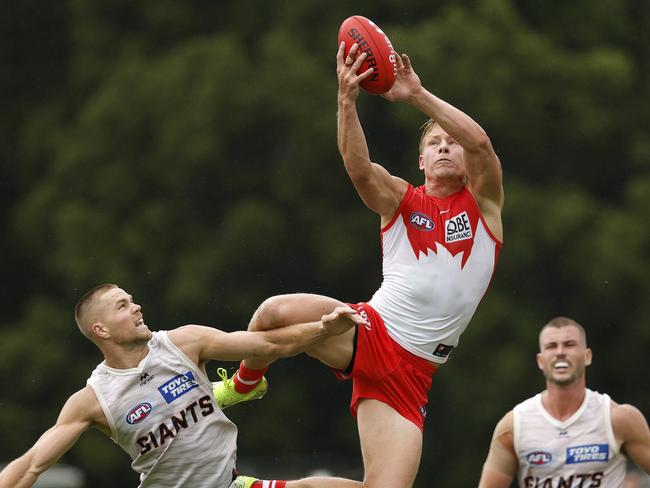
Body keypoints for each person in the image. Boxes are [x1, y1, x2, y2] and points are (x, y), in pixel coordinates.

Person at [214, 40, 505, 488]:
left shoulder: (483, 204)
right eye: (434, 143)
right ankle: (245, 383)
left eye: (452, 143)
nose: (446, 147)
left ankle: (256, 487)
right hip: (371, 330)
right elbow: (359, 168)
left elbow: (481, 143)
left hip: (415, 372)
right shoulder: (402, 199)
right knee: (272, 313)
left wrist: (416, 95)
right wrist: (346, 100)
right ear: (421, 159)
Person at [0, 284, 369, 488]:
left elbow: (270, 345)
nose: (137, 307)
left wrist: (323, 328)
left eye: (132, 300)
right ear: (101, 330)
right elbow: (32, 465)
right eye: (123, 305)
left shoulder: (184, 342)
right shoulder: (93, 400)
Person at [478, 316, 650, 487]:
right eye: (551, 346)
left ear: (587, 356)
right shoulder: (514, 425)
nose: (560, 352)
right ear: (540, 361)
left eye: (569, 344)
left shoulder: (618, 419)